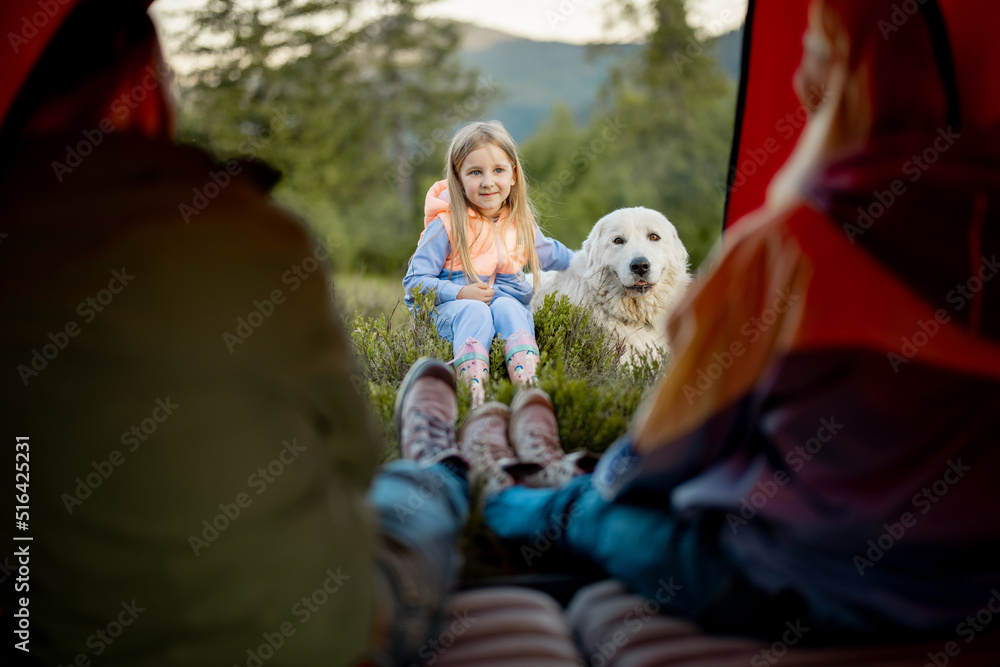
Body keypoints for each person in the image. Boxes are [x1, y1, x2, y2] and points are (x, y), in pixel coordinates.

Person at [0, 2, 528, 665]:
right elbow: (357, 463)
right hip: (310, 636)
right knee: (408, 496)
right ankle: (441, 458)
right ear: (136, 78)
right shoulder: (249, 233)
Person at [469, 0, 1000, 646]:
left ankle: (488, 486)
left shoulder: (785, 247)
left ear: (821, 80)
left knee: (595, 513)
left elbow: (655, 460)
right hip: (976, 590)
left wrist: (601, 485)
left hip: (796, 586)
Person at [402, 121, 574, 407]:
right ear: (458, 178)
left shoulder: (520, 222)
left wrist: (591, 260)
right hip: (451, 310)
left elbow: (551, 254)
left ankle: (527, 388)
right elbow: (414, 281)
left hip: (500, 303)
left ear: (514, 174)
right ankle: (474, 395)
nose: (488, 182)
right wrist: (459, 293)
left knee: (510, 307)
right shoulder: (446, 224)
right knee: (475, 311)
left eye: (498, 170)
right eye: (475, 172)